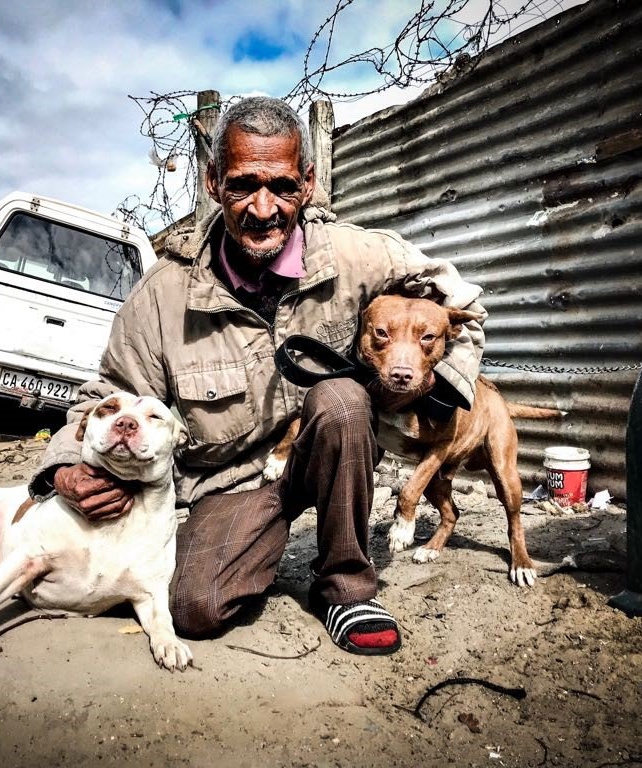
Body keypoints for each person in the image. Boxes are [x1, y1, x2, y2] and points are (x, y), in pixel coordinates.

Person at [28, 96, 486, 656]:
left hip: (325, 448)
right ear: (213, 181)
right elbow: (105, 397)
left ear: (310, 183)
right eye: (244, 185)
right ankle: (257, 542)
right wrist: (61, 473)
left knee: (342, 399)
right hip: (230, 483)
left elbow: (461, 309)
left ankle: (345, 583)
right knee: (192, 609)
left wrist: (431, 391)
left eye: (284, 187)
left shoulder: (359, 256)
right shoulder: (164, 298)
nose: (264, 208)